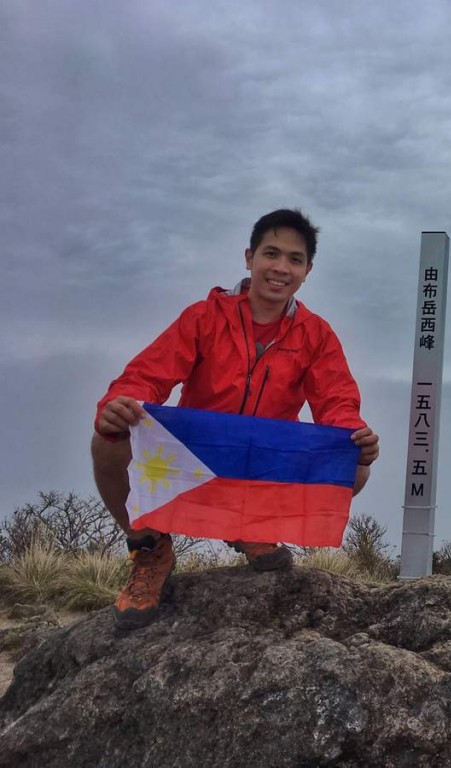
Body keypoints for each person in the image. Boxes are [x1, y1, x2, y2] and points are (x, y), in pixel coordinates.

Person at [92, 209, 380, 629]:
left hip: (262, 465)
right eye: (271, 253)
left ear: (307, 271)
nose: (281, 268)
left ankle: (253, 528)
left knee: (353, 465)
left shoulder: (316, 334)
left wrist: (354, 434)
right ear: (249, 258)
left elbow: (336, 401)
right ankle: (150, 549)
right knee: (108, 437)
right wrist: (121, 403)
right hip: (195, 460)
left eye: (295, 260)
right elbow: (146, 375)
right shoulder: (205, 316)